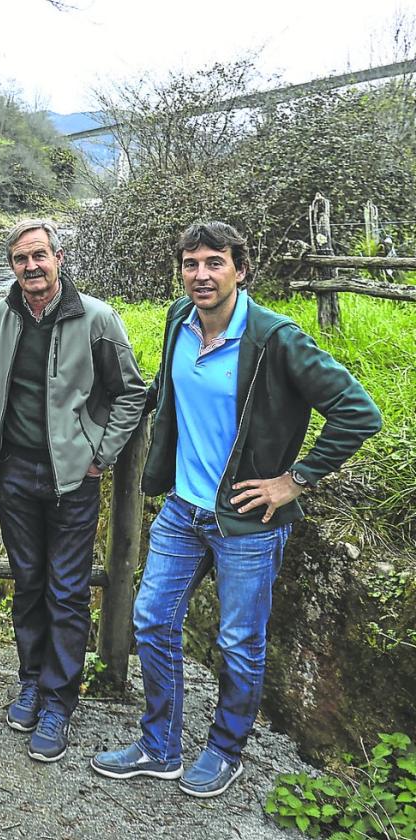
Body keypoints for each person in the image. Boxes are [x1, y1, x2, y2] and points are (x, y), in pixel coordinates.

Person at [90, 221, 382, 797]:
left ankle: (225, 751)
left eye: (214, 263)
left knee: (239, 641)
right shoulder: (179, 320)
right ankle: (160, 746)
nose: (201, 275)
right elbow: (163, 393)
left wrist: (293, 481)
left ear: (240, 270)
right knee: (152, 619)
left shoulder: (277, 339)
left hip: (247, 520)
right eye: (191, 263)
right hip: (183, 508)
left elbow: (358, 412)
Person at [0, 218, 146, 763]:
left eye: (39, 256)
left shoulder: (96, 319)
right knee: (27, 582)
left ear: (59, 257)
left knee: (67, 590)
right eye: (21, 259)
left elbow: (130, 392)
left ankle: (58, 700)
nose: (31, 267)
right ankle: (30, 680)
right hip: (14, 476)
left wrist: (101, 452)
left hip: (72, 479)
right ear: (12, 266)